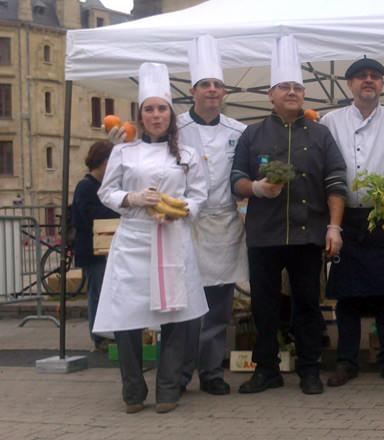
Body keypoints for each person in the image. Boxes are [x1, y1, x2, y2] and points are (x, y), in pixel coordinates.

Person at [231, 35, 347, 396]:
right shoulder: (252, 135)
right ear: (271, 94)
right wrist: (257, 189)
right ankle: (267, 370)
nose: (293, 92)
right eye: (285, 87)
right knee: (264, 307)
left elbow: (336, 183)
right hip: (263, 235)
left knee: (307, 306)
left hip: (308, 234)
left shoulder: (321, 134)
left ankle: (309, 370)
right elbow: (235, 180)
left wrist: (334, 227)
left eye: (298, 86)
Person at [95, 62, 209, 414]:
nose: (156, 115)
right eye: (149, 109)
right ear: (140, 116)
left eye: (162, 109)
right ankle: (132, 391)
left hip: (173, 237)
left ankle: (169, 388)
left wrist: (176, 208)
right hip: (134, 240)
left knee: (177, 316)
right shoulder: (123, 152)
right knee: (127, 316)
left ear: (171, 115)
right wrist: (132, 199)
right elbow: (107, 192)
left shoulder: (188, 155)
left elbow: (199, 196)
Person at [320, 57, 384, 387]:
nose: (368, 81)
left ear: (383, 84)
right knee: (347, 296)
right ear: (350, 85)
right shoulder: (330, 122)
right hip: (346, 216)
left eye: (374, 77)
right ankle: (347, 361)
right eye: (361, 77)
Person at [176, 35, 248, 396]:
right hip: (184, 226)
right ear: (192, 91)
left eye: (217, 85)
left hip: (223, 226)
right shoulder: (173, 127)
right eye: (205, 84)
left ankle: (212, 372)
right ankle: (180, 371)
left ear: (224, 93)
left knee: (219, 307)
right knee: (186, 304)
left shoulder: (239, 132)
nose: (212, 91)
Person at [72, 140, 120, 352]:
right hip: (92, 250)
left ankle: (106, 334)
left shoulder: (105, 186)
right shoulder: (86, 186)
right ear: (103, 162)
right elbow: (87, 216)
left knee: (104, 291)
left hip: (107, 247)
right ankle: (100, 337)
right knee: (98, 292)